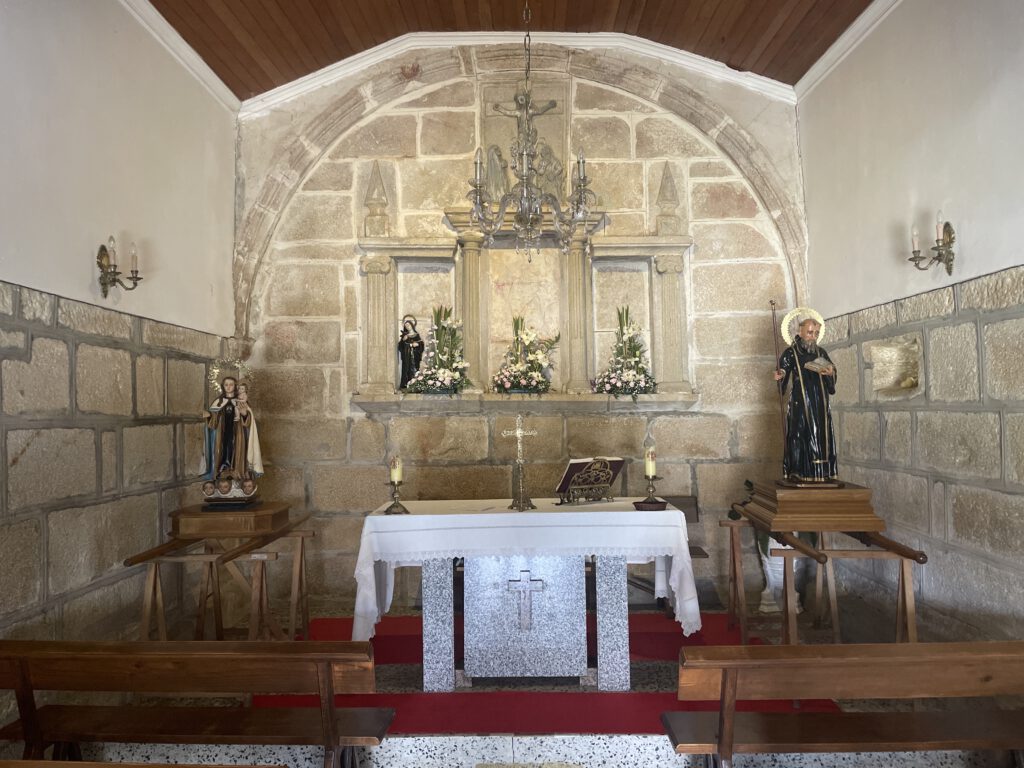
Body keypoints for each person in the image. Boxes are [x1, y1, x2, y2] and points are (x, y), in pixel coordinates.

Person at [773, 317, 838, 482]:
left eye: (816, 333)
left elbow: (831, 372)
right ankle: (797, 470)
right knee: (798, 433)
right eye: (810, 332)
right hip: (800, 401)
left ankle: (821, 471)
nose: (813, 336)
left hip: (820, 401)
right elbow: (783, 369)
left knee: (820, 434)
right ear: (800, 332)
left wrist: (830, 373)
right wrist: (781, 374)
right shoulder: (791, 352)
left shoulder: (821, 352)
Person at [203, 376, 249, 480]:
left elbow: (249, 421)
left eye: (231, 385)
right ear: (223, 386)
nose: (228, 387)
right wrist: (209, 415)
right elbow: (213, 421)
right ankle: (222, 469)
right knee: (223, 449)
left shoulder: (240, 401)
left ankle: (236, 471)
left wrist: (245, 414)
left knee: (235, 448)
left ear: (235, 386)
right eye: (226, 385)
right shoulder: (218, 402)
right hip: (222, 432)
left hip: (237, 432)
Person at [397, 315, 423, 389]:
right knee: (406, 370)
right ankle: (406, 384)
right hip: (407, 357)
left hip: (415, 356)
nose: (407, 326)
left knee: (414, 369)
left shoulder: (416, 335)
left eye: (408, 325)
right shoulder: (405, 336)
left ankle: (415, 385)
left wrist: (417, 344)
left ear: (412, 325)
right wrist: (403, 340)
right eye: (406, 326)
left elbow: (421, 344)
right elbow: (400, 347)